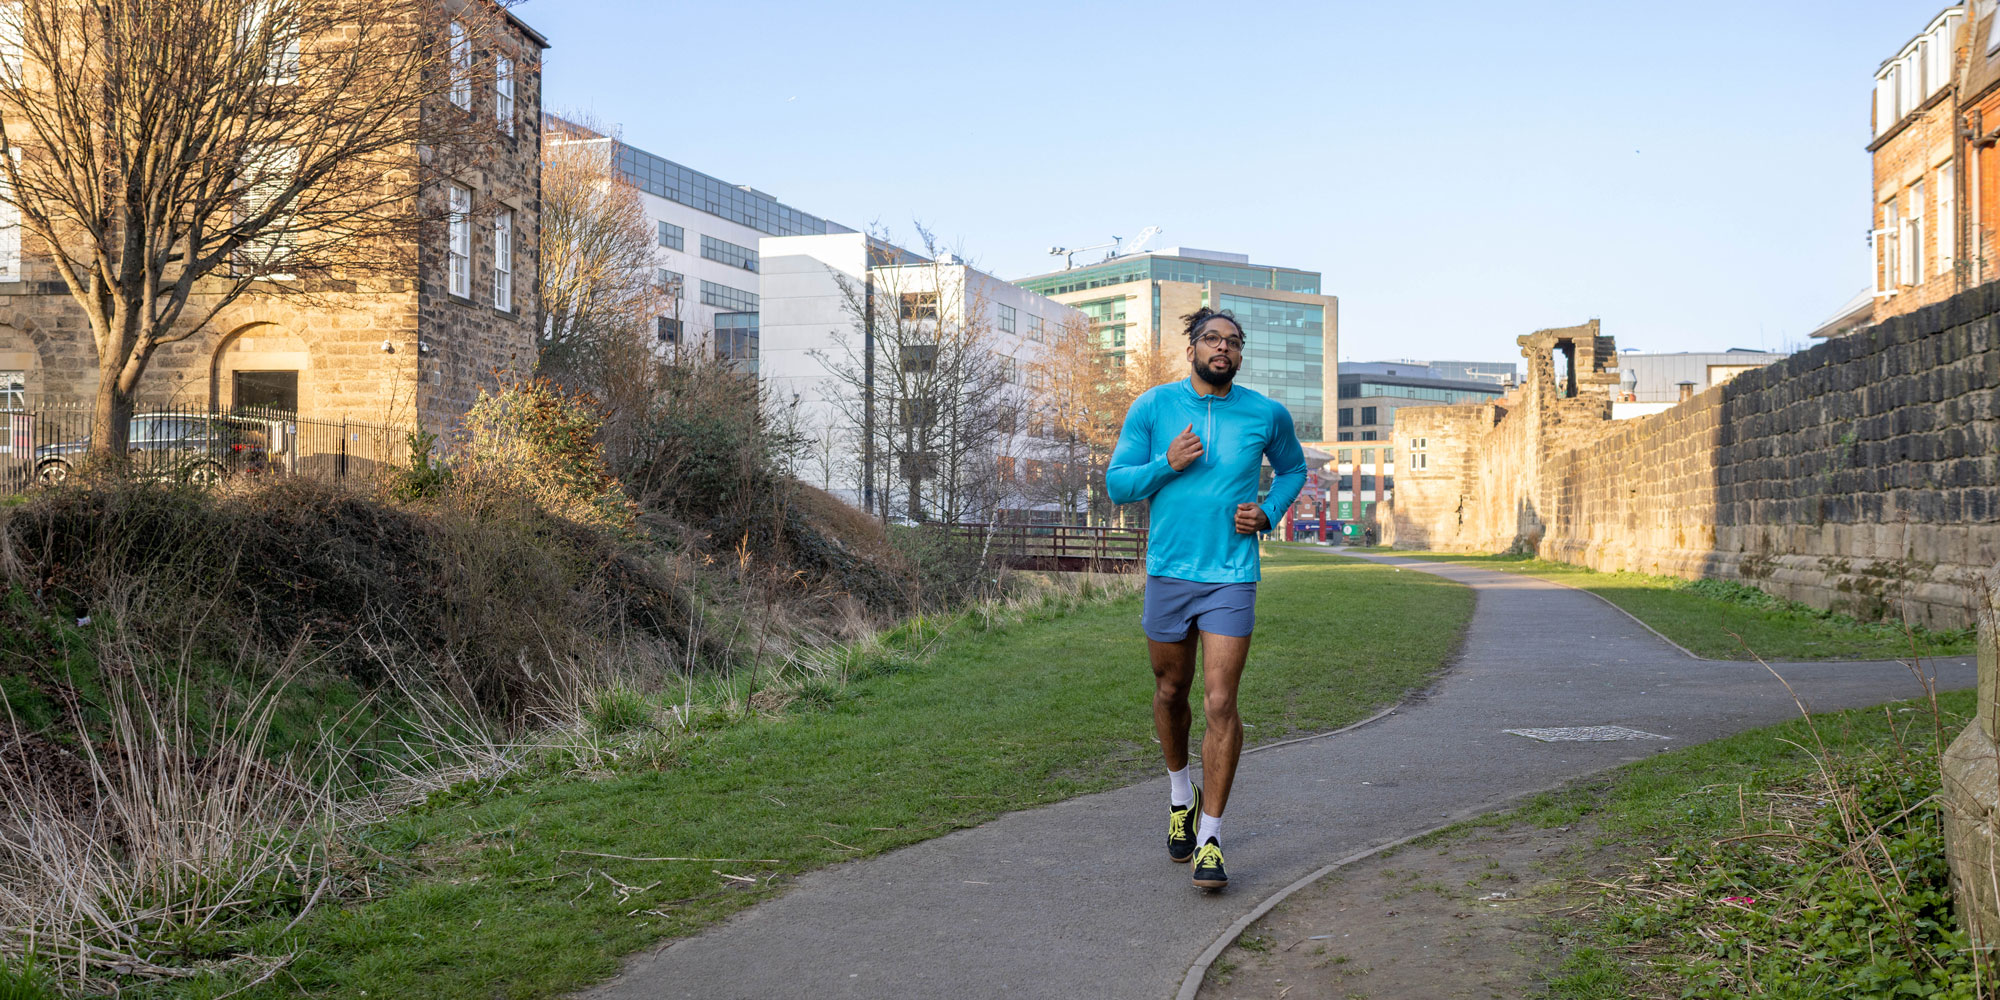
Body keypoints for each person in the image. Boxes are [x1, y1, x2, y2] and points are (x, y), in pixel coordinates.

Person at [1105, 307, 1307, 891]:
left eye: (1234, 342)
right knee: (1171, 691)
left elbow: (1293, 469)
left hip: (1231, 575)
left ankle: (1212, 838)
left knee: (1221, 703)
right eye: (1213, 339)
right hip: (1169, 573)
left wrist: (1268, 511)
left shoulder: (1265, 413)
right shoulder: (1153, 407)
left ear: (1240, 355)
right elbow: (1119, 485)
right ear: (1191, 347)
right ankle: (1179, 796)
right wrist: (1167, 464)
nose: (1224, 349)